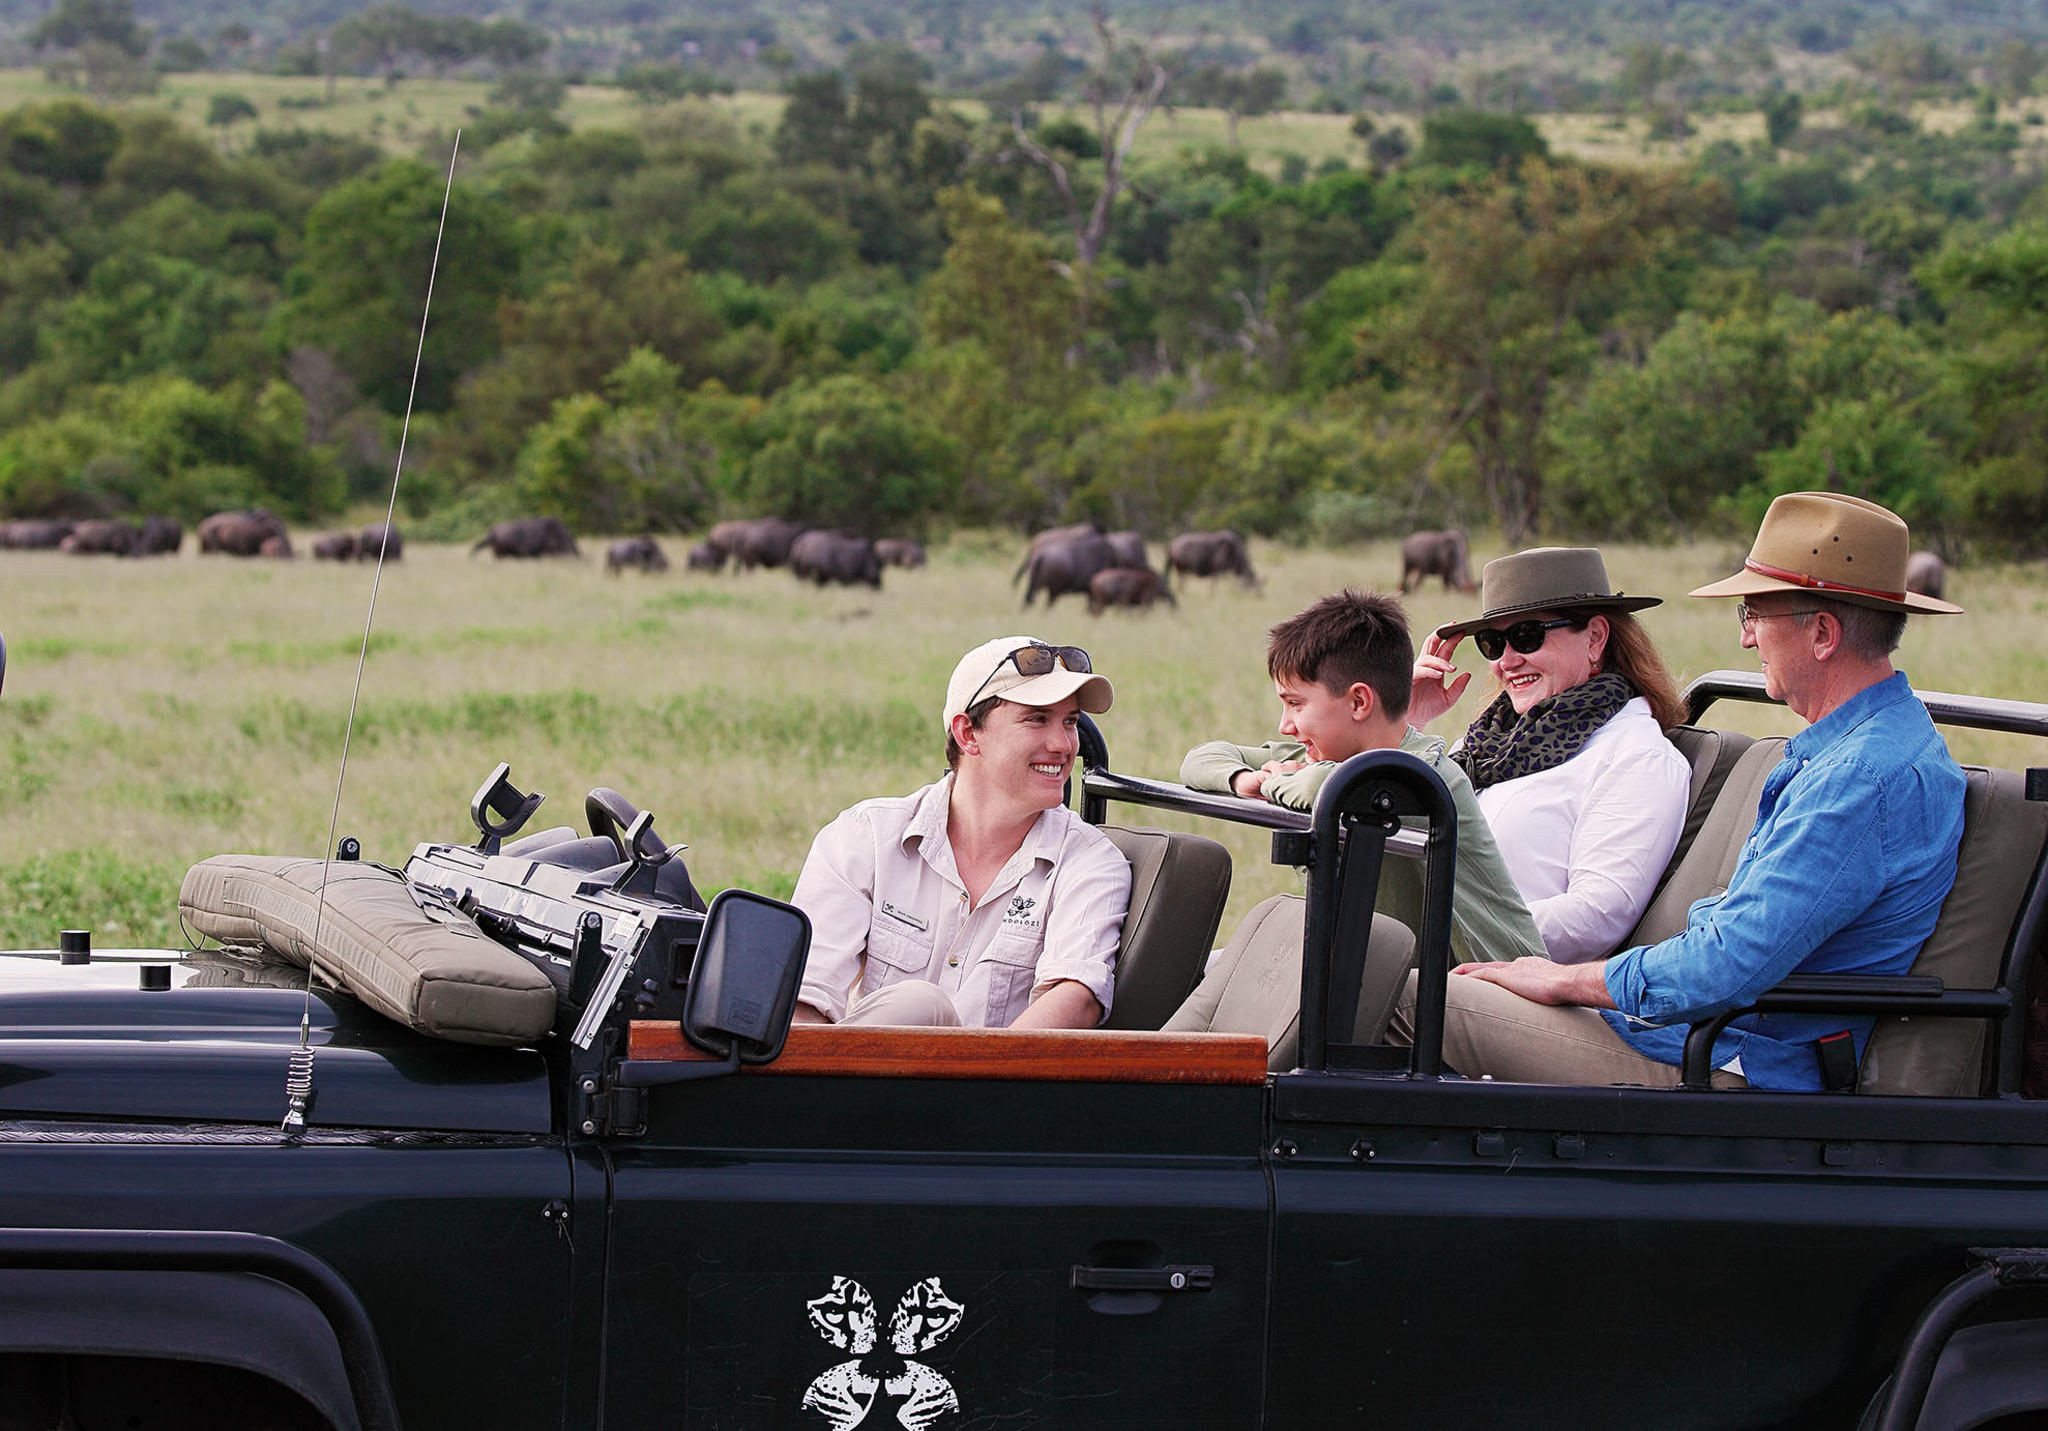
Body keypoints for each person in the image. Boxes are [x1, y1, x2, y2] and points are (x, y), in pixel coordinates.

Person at [1389, 492, 1967, 1091]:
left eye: (1753, 615)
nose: (1747, 640)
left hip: (1731, 1057)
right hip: (1700, 1030)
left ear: (1822, 634)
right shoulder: (1861, 747)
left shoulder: (1859, 779)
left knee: (1395, 997)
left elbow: (1725, 963)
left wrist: (1565, 979)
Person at [1181, 588, 1545, 970]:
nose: (1284, 725)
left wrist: (1274, 781)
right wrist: (1243, 779)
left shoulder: (1425, 774)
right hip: (1398, 977)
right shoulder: (1319, 757)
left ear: (1358, 702)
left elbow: (1316, 787)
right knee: (1204, 968)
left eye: (1295, 704)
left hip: (1496, 985)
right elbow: (1200, 758)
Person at [790, 636, 1132, 1029]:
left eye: (1069, 721)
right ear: (968, 733)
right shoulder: (864, 836)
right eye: (1037, 718)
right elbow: (804, 999)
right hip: (858, 1081)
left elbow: (1076, 998)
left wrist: (977, 1085)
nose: (1063, 745)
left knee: (919, 1007)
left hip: (998, 1085)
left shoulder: (1091, 861)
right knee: (917, 1007)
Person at [1408, 547, 1692, 963]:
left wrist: (1443, 931)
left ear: (1595, 638)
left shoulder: (1635, 756)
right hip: (1438, 964)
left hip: (1519, 987)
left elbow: (1596, 917)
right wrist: (1409, 722)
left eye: (1527, 635)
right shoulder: (1488, 744)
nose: (1507, 660)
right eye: (1493, 642)